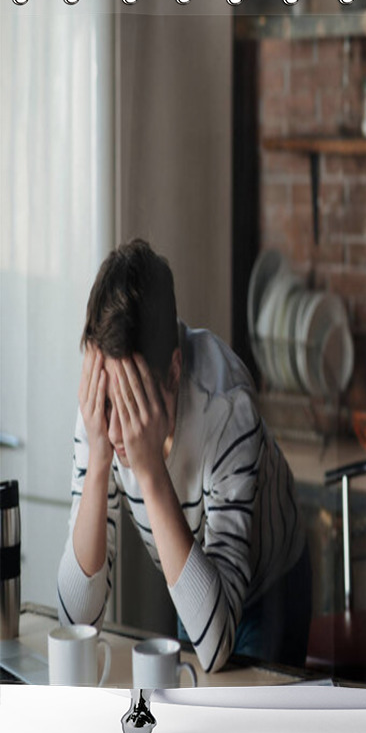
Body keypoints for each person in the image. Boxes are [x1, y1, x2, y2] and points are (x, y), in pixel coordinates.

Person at [57, 239, 311, 673]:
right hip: (196, 570)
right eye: (108, 406)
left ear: (174, 370)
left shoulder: (227, 410)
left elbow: (214, 646)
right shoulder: (101, 406)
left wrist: (150, 470)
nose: (117, 429)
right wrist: (99, 460)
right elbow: (76, 624)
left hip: (271, 582)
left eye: (135, 405)